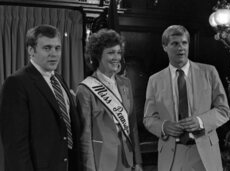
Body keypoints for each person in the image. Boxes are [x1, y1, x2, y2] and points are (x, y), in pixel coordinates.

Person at [143, 25, 230, 171]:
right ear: (165, 47)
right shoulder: (155, 80)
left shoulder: (209, 72)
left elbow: (224, 110)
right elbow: (148, 118)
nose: (181, 48)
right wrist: (164, 127)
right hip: (172, 153)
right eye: (175, 43)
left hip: (204, 152)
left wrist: (200, 121)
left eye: (184, 43)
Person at [0, 24, 80, 171]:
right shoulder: (16, 83)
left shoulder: (59, 80)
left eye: (57, 48)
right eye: (47, 48)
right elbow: (15, 145)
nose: (54, 54)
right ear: (31, 50)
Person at [76, 29, 143, 171]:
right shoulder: (85, 89)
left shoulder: (126, 83)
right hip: (102, 161)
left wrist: (138, 162)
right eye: (111, 52)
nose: (116, 57)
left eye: (119, 52)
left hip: (127, 160)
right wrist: (90, 169)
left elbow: (132, 126)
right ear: (98, 56)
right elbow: (85, 136)